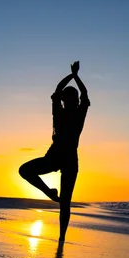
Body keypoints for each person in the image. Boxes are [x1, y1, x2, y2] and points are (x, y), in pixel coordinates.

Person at [19, 61, 90, 242]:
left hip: (70, 159)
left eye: (71, 98)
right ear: (65, 100)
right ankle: (49, 192)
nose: (70, 100)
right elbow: (60, 90)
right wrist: (74, 75)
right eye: (68, 98)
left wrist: (74, 76)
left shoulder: (79, 112)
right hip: (54, 155)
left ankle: (61, 239)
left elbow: (83, 94)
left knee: (65, 202)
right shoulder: (58, 110)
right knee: (24, 170)